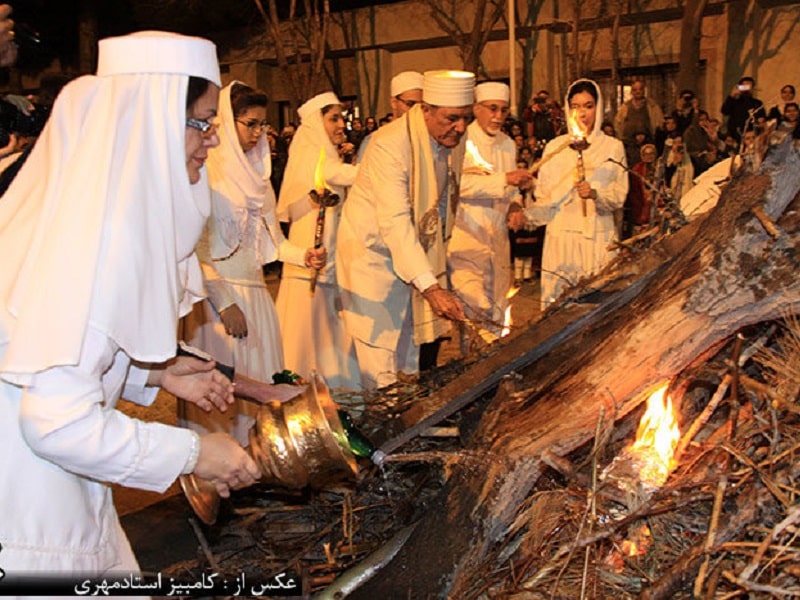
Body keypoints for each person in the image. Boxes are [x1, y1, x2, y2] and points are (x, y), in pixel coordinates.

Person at [0, 31, 261, 576]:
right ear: (154, 121)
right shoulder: (103, 238)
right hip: (31, 522)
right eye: (202, 121)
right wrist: (195, 453)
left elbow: (48, 348)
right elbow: (56, 423)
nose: (212, 140)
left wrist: (154, 375)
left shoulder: (89, 214)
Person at [181, 81, 321, 443]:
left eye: (263, 124)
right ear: (229, 122)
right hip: (218, 304)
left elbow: (274, 243)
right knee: (226, 392)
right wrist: (224, 302)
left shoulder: (259, 180)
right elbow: (192, 250)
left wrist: (304, 256)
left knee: (265, 390)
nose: (258, 133)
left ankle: (261, 470)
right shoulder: (206, 174)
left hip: (258, 300)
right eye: (251, 124)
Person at [337, 70, 474, 390]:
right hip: (372, 260)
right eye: (452, 118)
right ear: (425, 109)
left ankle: (404, 427)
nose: (461, 127)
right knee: (380, 359)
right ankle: (381, 430)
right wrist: (430, 287)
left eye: (466, 118)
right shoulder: (389, 145)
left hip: (413, 259)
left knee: (408, 356)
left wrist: (435, 269)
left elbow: (441, 204)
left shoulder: (453, 139)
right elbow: (396, 223)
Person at [512, 78, 628, 310]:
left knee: (597, 306)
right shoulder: (556, 147)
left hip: (596, 236)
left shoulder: (612, 147)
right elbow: (545, 199)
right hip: (561, 238)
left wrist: (595, 194)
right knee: (559, 307)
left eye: (588, 106)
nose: (582, 113)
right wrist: (527, 213)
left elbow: (618, 195)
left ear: (598, 107)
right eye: (575, 106)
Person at [276, 92, 360, 390]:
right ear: (315, 124)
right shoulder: (313, 158)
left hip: (331, 268)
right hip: (308, 267)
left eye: (342, 118)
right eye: (333, 118)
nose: (341, 125)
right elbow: (339, 174)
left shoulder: (329, 158)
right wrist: (380, 168)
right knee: (303, 343)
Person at [448, 81, 533, 343]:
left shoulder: (508, 144)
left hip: (498, 240)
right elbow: (458, 185)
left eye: (504, 111)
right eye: (492, 109)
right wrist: (505, 179)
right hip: (467, 238)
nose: (498, 117)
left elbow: (511, 188)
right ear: (476, 109)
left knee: (498, 307)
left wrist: (516, 203)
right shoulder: (460, 140)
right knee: (473, 310)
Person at [357, 71, 423, 162]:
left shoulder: (427, 139)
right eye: (410, 104)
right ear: (394, 103)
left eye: (422, 106)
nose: (417, 110)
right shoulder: (375, 140)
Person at [613, 80, 664, 168]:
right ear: (632, 92)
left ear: (644, 90)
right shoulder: (625, 107)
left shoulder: (652, 106)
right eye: (635, 90)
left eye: (640, 89)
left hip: (648, 144)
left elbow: (659, 124)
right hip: (630, 146)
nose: (638, 92)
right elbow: (618, 124)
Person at [721, 76, 764, 141]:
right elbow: (724, 111)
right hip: (735, 135)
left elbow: (761, 119)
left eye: (749, 86)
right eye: (744, 86)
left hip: (752, 137)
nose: (746, 89)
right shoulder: (734, 102)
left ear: (752, 88)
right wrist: (731, 95)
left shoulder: (757, 103)